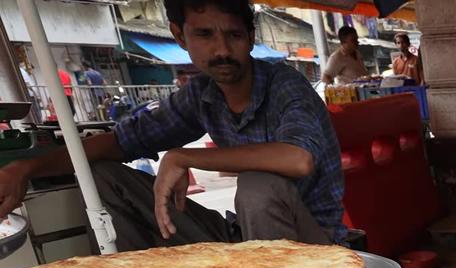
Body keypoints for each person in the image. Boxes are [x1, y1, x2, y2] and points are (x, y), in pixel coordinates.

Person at [0, 0, 345, 248]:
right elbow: (122, 141)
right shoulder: (201, 95)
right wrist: (28, 167)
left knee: (259, 187)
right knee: (104, 177)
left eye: (234, 36)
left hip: (316, 247)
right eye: (206, 34)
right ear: (180, 36)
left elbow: (298, 158)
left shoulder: (285, 85)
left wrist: (184, 157)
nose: (222, 49)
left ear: (250, 38)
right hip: (241, 237)